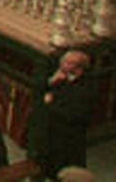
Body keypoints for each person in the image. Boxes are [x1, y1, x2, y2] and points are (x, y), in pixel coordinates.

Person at [31, 49, 95, 178]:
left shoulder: (86, 88)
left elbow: (72, 115)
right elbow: (37, 88)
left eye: (67, 62)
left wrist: (50, 104)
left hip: (67, 141)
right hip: (49, 136)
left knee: (64, 174)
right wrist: (51, 81)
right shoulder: (59, 76)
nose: (61, 64)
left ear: (78, 68)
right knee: (39, 168)